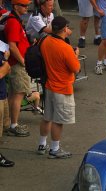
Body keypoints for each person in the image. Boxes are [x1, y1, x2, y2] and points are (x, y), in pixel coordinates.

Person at [36, 16, 80, 158]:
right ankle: (55, 149)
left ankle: (42, 144)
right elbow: (76, 68)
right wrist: (75, 55)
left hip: (49, 85)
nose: (69, 29)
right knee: (58, 121)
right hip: (62, 88)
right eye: (67, 27)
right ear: (63, 30)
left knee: (47, 117)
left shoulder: (45, 41)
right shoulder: (66, 48)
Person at [4, 0, 32, 137]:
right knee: (18, 94)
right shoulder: (14, 22)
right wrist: (23, 61)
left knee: (14, 93)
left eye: (27, 5)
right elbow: (12, 45)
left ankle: (9, 122)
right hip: (17, 63)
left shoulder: (14, 19)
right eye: (24, 5)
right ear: (16, 6)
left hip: (15, 62)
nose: (27, 8)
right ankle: (13, 125)